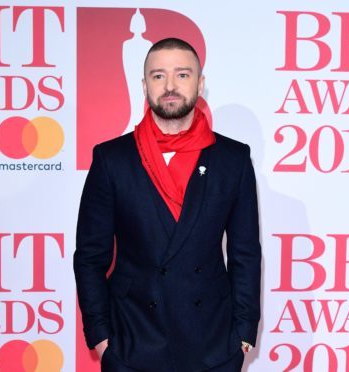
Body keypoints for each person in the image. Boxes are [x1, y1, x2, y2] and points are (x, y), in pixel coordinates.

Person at [74, 37, 261, 372]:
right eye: (159, 76)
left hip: (213, 344)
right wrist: (102, 338)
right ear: (144, 85)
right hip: (132, 339)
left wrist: (243, 333)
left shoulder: (232, 159)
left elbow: (245, 253)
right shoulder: (112, 159)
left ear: (200, 84)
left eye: (182, 75)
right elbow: (89, 257)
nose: (170, 86)